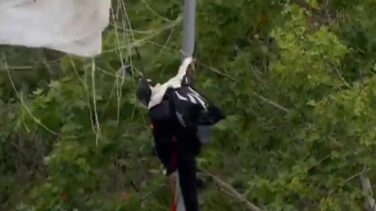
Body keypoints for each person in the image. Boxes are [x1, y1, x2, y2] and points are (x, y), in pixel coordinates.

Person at [136, 58, 224, 211]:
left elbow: (162, 143)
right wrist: (188, 61)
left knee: (187, 184)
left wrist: (169, 166)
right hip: (198, 127)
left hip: (183, 146)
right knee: (188, 175)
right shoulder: (173, 86)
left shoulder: (157, 111)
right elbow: (183, 72)